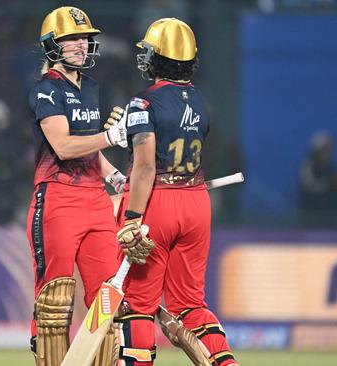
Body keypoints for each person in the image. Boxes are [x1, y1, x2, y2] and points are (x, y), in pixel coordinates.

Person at [112, 18, 238, 366]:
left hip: (158, 203)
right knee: (190, 305)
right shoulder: (199, 100)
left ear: (157, 58)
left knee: (137, 302)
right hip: (196, 200)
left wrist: (133, 217)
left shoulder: (143, 103)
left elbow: (146, 167)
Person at [26, 7, 128, 366]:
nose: (82, 45)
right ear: (53, 44)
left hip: (96, 200)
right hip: (58, 197)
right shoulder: (46, 89)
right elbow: (65, 147)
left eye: (85, 38)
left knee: (106, 296)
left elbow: (89, 147)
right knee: (55, 299)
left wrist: (114, 174)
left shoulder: (90, 87)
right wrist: (110, 136)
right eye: (72, 38)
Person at [298, 131, 337, 227]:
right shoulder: (307, 167)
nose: (328, 152)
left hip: (331, 220)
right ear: (315, 150)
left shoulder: (333, 168)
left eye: (329, 148)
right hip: (310, 220)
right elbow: (310, 186)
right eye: (324, 149)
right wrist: (330, 182)